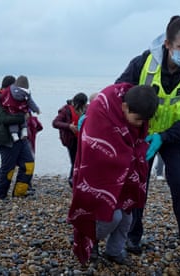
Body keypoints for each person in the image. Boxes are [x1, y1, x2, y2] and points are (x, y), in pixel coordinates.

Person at [115, 15, 180, 265]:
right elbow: (117, 92)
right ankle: (132, 236)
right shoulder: (143, 63)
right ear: (168, 44)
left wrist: (165, 136)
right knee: (136, 185)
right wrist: (92, 114)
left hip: (174, 136)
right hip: (141, 135)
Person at [67, 83, 159, 265]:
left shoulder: (136, 104)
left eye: (144, 121)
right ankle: (88, 239)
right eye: (138, 119)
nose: (140, 124)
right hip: (100, 174)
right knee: (111, 217)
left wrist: (140, 148)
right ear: (124, 107)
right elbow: (94, 148)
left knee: (127, 216)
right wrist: (125, 156)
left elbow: (136, 138)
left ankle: (114, 251)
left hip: (125, 174)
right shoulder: (102, 109)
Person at [0, 75, 35, 199]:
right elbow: (3, 118)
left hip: (20, 137)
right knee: (8, 167)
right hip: (5, 139)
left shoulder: (17, 98)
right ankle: (0, 195)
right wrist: (22, 117)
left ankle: (19, 193)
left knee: (29, 164)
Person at [52, 92, 88, 188]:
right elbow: (55, 123)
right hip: (71, 140)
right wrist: (69, 126)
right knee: (74, 160)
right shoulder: (65, 110)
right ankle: (72, 180)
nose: (80, 109)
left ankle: (79, 179)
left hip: (83, 139)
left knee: (82, 160)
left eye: (83, 106)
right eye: (79, 106)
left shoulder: (86, 108)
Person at [0, 75, 40, 142]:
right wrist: (35, 110)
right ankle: (24, 132)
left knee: (13, 124)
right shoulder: (25, 94)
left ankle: (14, 134)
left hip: (7, 135)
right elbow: (31, 103)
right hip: (9, 139)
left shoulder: (4, 95)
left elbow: (3, 105)